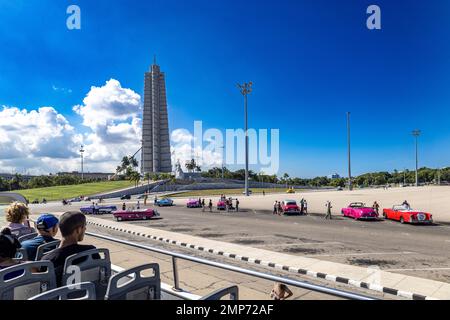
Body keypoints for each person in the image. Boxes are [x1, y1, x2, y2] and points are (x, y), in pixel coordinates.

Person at [40, 211, 97, 287]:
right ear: (78, 230)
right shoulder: (91, 252)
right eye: (84, 226)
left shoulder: (47, 260)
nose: (85, 229)